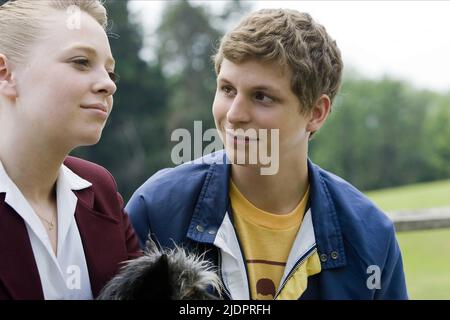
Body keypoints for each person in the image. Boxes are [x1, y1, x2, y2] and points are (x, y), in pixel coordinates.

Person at [126, 8, 408, 300]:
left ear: (316, 113)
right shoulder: (156, 209)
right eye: (227, 89)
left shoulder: (372, 236)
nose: (234, 115)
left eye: (261, 96)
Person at [0, 0, 141, 300]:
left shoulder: (101, 190)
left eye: (110, 72)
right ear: (5, 73)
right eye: (80, 62)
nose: (108, 84)